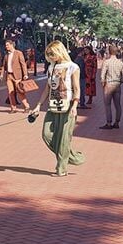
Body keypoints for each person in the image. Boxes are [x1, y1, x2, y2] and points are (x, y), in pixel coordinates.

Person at [29, 40, 84, 176]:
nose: (50, 57)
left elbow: (77, 88)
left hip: (68, 105)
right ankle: (72, 157)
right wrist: (38, 106)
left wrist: (75, 105)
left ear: (59, 52)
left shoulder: (73, 67)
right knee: (47, 134)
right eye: (49, 55)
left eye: (52, 54)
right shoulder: (51, 68)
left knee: (64, 137)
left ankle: (61, 168)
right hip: (53, 105)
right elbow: (47, 88)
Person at [98, 45, 123, 129]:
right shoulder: (120, 62)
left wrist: (103, 84)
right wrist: (119, 81)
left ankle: (109, 123)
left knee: (107, 105)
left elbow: (102, 76)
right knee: (118, 104)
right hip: (117, 85)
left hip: (108, 84)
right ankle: (117, 122)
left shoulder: (106, 62)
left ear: (109, 52)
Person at [3, 39, 31, 113]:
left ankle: (26, 106)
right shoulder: (6, 55)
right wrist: (2, 74)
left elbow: (23, 64)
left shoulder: (18, 53)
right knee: (10, 92)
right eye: (6, 45)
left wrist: (25, 74)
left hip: (17, 76)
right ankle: (13, 107)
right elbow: (4, 66)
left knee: (20, 92)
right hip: (9, 75)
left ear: (12, 45)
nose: (6, 47)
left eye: (7, 45)